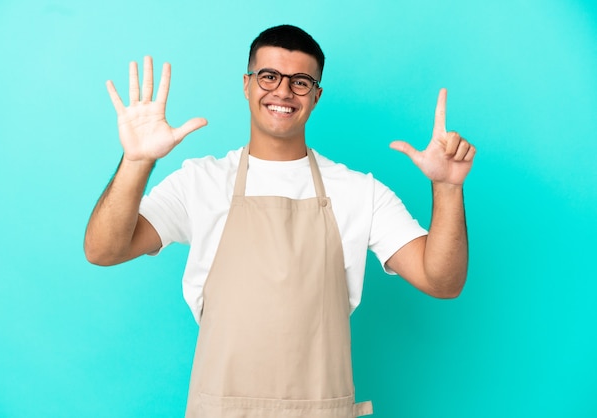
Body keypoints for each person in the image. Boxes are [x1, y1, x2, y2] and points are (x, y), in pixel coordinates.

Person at [84, 24, 475, 418]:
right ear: (247, 84)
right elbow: (103, 250)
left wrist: (446, 189)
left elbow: (442, 281)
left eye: (300, 81)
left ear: (316, 96)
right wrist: (137, 162)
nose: (283, 91)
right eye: (269, 76)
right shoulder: (200, 182)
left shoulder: (359, 192)